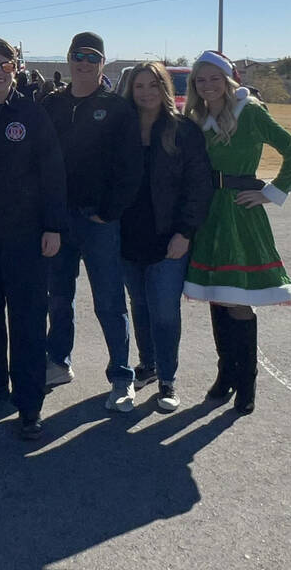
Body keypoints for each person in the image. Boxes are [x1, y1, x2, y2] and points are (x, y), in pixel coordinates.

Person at [182, 50, 291, 415]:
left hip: (239, 212)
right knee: (219, 297)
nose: (207, 85)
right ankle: (226, 375)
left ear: (227, 79)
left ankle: (246, 381)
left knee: (237, 301)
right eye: (200, 80)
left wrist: (269, 192)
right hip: (210, 212)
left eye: (213, 78)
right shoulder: (196, 118)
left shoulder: (249, 111)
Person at [0, 38, 66, 440]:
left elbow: (53, 172)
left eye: (6, 65)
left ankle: (29, 404)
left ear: (16, 68)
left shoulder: (32, 115)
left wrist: (53, 225)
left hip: (27, 236)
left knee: (27, 319)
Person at [41, 32, 142, 411]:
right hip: (58, 220)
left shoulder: (116, 108)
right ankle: (58, 362)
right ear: (68, 59)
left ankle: (121, 377)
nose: (83, 62)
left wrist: (110, 210)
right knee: (58, 297)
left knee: (110, 302)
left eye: (92, 56)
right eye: (77, 55)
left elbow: (130, 168)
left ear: (102, 63)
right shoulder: (51, 103)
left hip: (99, 222)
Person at [119, 62, 213, 412]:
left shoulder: (183, 131)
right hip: (127, 237)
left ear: (164, 88)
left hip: (168, 238)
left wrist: (185, 233)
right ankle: (147, 365)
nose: (145, 92)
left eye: (152, 85)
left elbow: (198, 187)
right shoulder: (122, 128)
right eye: (138, 86)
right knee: (139, 306)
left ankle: (168, 380)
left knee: (164, 312)